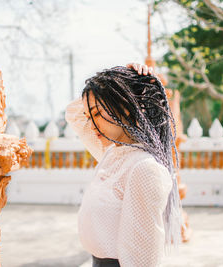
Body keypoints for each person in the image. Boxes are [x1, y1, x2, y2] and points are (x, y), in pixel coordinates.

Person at [65, 63, 183, 267]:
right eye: (89, 115)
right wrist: (124, 78)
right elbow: (73, 113)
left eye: (96, 112)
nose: (91, 122)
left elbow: (141, 258)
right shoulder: (113, 153)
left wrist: (127, 86)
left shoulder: (143, 169)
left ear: (125, 107)